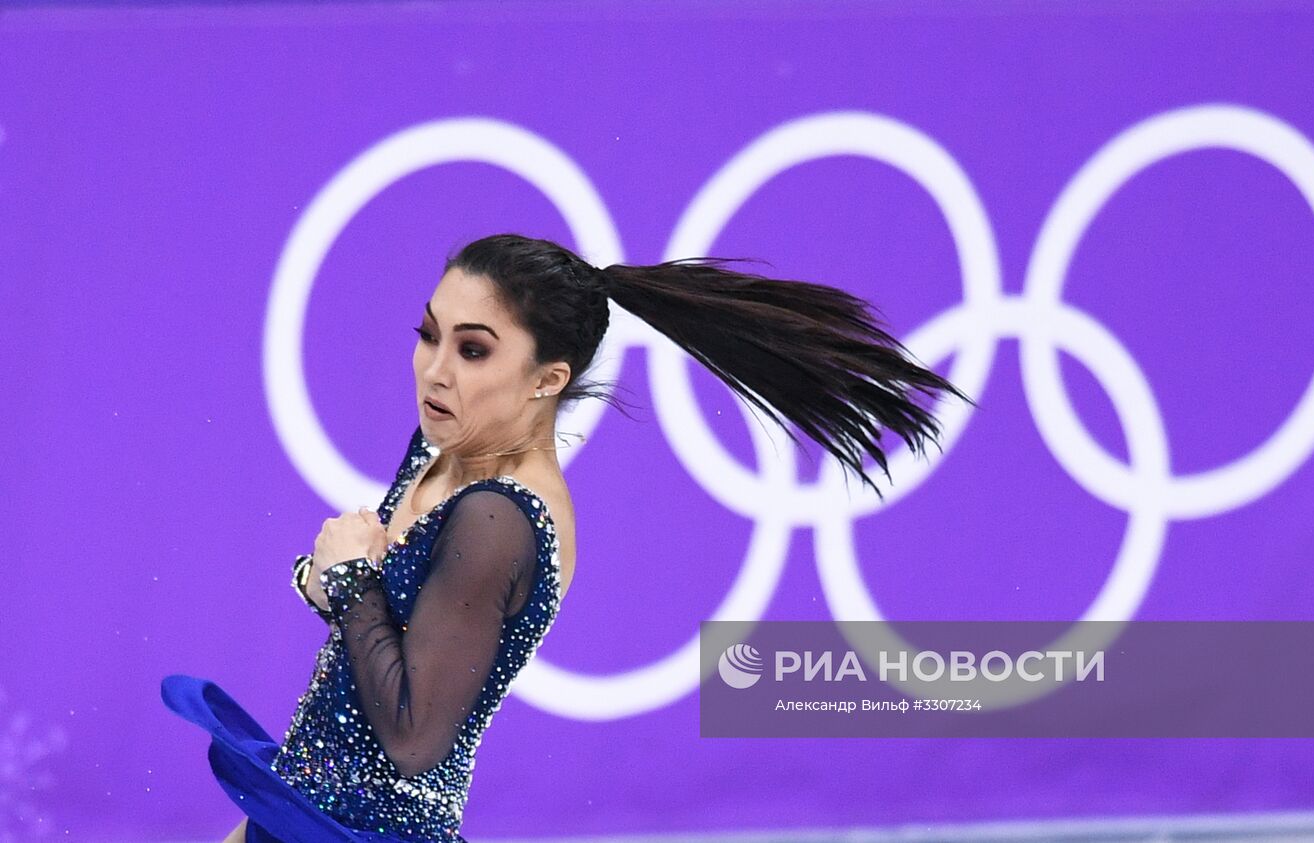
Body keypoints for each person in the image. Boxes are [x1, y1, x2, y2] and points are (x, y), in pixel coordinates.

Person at [161, 233, 974, 842]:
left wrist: (348, 584)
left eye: (473, 349)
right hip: (295, 811)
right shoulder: (443, 442)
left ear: (548, 379)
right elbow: (391, 630)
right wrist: (335, 585)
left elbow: (411, 739)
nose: (435, 368)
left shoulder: (501, 520)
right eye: (429, 333)